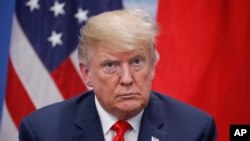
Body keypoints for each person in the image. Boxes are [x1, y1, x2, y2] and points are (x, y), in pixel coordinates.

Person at [19, 9, 217, 141]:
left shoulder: (195, 130)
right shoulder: (42, 132)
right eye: (111, 65)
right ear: (87, 74)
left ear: (153, 65)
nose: (127, 79)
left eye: (137, 62)